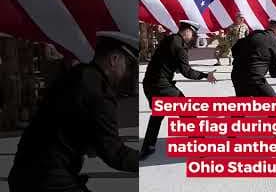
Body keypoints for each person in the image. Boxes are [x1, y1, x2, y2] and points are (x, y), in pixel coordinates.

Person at [8, 32, 139, 192]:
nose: (127, 73)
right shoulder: (100, 91)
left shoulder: (77, 74)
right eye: (127, 66)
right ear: (114, 60)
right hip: (49, 178)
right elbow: (114, 153)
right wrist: (146, 162)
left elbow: (68, 121)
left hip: (26, 171)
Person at [140, 20, 217, 160]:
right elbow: (187, 72)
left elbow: (170, 64)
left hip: (149, 84)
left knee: (158, 114)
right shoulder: (179, 47)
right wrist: (206, 75)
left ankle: (147, 148)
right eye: (193, 34)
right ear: (187, 31)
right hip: (162, 86)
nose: (193, 37)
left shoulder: (169, 40)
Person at [231, 19, 276, 97]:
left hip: (237, 75)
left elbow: (235, 49)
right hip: (255, 78)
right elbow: (274, 72)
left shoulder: (255, 34)